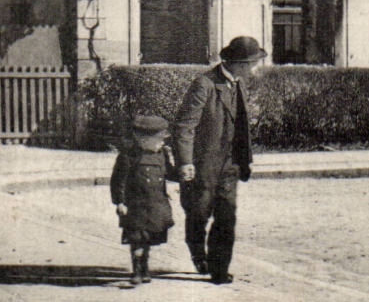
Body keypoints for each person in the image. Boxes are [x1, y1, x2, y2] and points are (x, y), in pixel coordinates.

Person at [172, 36, 265, 284]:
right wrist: (185, 162)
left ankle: (219, 268)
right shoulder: (205, 84)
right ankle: (197, 253)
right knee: (198, 213)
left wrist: (244, 158)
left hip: (230, 165)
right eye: (253, 63)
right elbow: (184, 126)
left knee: (227, 216)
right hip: (203, 165)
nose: (254, 68)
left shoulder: (239, 84)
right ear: (240, 64)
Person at [111, 115, 176, 286]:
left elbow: (169, 172)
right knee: (137, 238)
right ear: (143, 140)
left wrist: (183, 175)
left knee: (148, 238)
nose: (162, 143)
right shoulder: (129, 156)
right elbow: (119, 180)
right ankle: (137, 271)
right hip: (136, 206)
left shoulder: (162, 155)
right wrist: (120, 202)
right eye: (159, 139)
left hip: (155, 204)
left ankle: (145, 268)